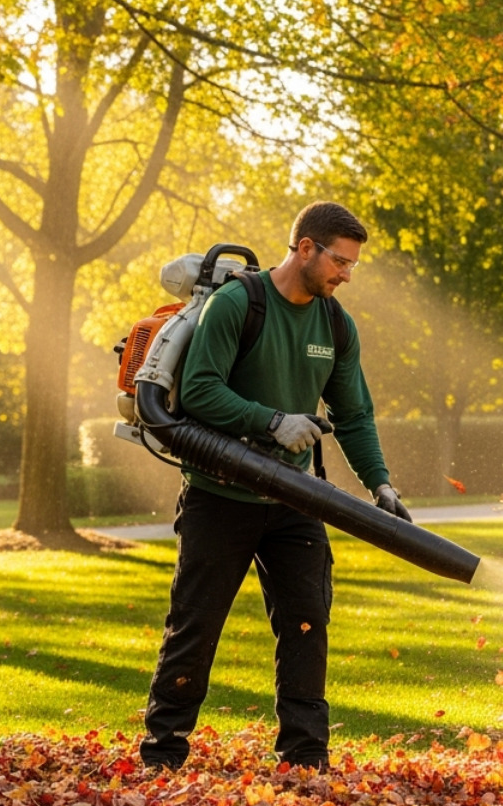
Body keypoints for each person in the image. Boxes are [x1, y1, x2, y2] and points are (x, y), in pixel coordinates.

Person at [140, 201, 409, 772]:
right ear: (305, 248)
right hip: (220, 495)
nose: (347, 275)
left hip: (294, 498)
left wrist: (381, 485)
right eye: (340, 261)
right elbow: (199, 390)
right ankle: (163, 755)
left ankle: (305, 759)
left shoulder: (335, 323)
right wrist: (273, 422)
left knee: (307, 625)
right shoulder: (239, 303)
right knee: (195, 625)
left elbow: (354, 414)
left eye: (353, 265)